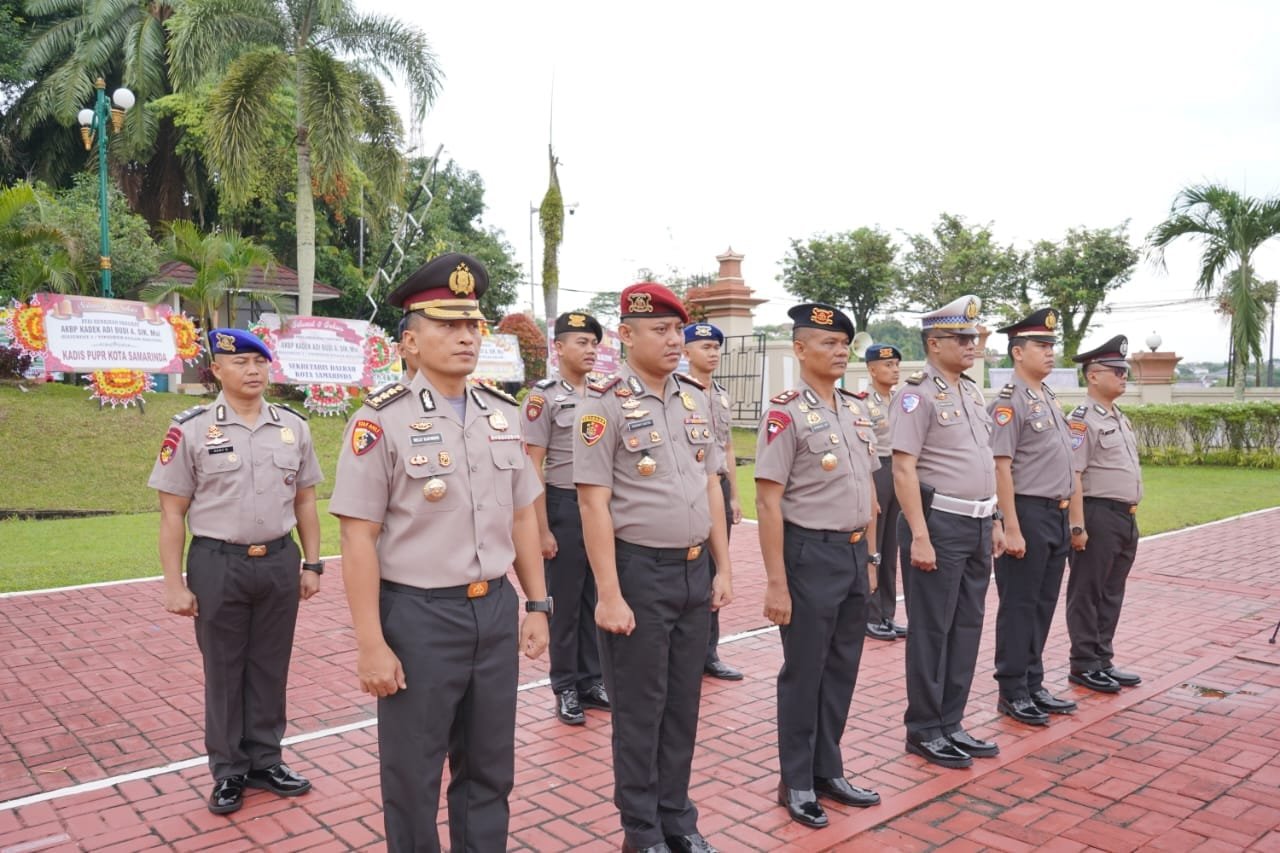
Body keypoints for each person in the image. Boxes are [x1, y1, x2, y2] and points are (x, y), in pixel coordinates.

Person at [329, 253, 551, 852]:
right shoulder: (380, 422)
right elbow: (357, 538)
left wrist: (537, 603)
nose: (464, 336)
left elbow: (525, 514)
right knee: (413, 775)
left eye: (471, 324)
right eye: (445, 324)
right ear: (409, 342)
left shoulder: (503, 415)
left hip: (494, 612)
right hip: (420, 618)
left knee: (488, 771)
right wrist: (371, 643)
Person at [574, 282, 733, 853]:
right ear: (626, 335)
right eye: (661, 331)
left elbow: (712, 485)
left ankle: (678, 820)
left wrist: (723, 566)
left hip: (694, 573)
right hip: (638, 574)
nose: (675, 340)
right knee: (641, 712)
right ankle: (641, 833)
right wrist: (609, 594)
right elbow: (592, 503)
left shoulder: (694, 398)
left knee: (683, 707)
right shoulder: (603, 406)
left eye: (677, 331)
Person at [149, 328, 323, 815]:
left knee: (270, 666)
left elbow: (306, 499)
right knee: (224, 671)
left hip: (279, 561)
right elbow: (171, 514)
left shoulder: (294, 427)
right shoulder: (190, 428)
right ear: (217, 370)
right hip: (216, 564)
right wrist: (172, 582)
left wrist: (312, 563)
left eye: (260, 363)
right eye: (241, 363)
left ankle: (266, 761)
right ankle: (228, 771)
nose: (252, 371)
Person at [756, 303, 882, 830]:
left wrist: (872, 557)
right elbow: (767, 501)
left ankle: (828, 769)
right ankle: (797, 779)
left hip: (854, 554)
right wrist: (777, 582)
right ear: (800, 349)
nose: (839, 351)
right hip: (809, 556)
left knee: (841, 669)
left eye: (843, 343)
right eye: (828, 343)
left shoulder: (855, 408)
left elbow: (870, 491)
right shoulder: (785, 412)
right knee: (805, 672)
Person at [890, 294, 1006, 770]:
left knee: (966, 627)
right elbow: (903, 467)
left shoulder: (970, 392)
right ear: (934, 343)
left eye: (974, 337)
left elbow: (983, 461)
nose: (972, 344)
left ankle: (951, 721)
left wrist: (996, 518)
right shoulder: (915, 394)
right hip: (939, 523)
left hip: (978, 523)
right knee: (932, 630)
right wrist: (919, 533)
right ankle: (923, 728)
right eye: (962, 338)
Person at [989, 308, 1079, 727]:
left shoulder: (1047, 397)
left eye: (1051, 346)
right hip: (1025, 511)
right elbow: (1000, 466)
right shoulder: (1010, 402)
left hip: (1055, 515)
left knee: (1043, 604)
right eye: (1041, 346)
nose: (1049, 352)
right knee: (1020, 605)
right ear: (1017, 352)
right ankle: (1012, 689)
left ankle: (1033, 681)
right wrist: (1010, 526)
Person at [525, 311, 611, 725]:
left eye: (595, 343)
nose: (591, 350)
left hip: (601, 508)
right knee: (566, 604)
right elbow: (532, 467)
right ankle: (565, 687)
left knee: (595, 595)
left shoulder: (603, 394)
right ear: (558, 348)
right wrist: (541, 528)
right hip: (563, 506)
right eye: (582, 342)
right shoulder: (543, 398)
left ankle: (592, 680)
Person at [1066, 335, 1144, 693]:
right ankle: (1083, 664)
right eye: (1116, 371)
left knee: (1112, 592)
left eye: (1125, 371)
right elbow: (1074, 475)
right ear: (1092, 376)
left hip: (1124, 518)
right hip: (1097, 515)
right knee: (1088, 591)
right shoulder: (1082, 420)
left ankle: (1103, 660)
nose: (1123, 376)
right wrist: (1077, 524)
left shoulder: (1119, 417)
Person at [683, 321, 744, 681]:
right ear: (686, 351)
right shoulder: (679, 393)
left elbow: (728, 446)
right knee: (690, 570)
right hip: (690, 489)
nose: (713, 353)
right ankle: (688, 649)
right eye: (705, 347)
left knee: (717, 570)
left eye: (716, 347)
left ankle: (710, 651)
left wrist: (734, 494)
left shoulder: (721, 395)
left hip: (716, 486)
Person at [863, 343, 906, 642]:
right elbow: (864, 448)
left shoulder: (902, 400)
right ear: (872, 369)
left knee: (892, 545)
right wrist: (871, 490)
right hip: (875, 471)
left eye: (896, 365)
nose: (894, 370)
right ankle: (870, 615)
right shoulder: (863, 402)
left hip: (898, 471)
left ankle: (887, 613)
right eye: (888, 365)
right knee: (873, 546)